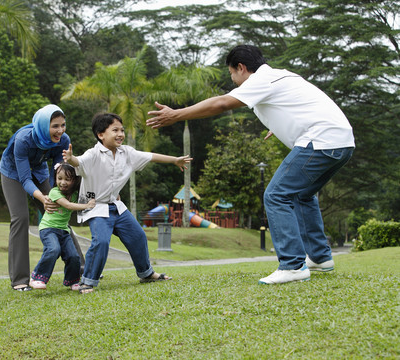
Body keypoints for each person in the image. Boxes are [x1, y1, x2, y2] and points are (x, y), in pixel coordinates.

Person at [147, 45, 355, 285]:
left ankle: (293, 265)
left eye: (232, 74)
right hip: (342, 143)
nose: (234, 81)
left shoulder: (260, 79)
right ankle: (319, 257)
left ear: (241, 68)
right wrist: (277, 125)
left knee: (277, 195)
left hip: (320, 140)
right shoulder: (281, 76)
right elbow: (298, 105)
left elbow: (222, 103)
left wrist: (177, 114)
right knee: (302, 196)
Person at [63, 112, 193, 294]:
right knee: (101, 242)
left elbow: (151, 156)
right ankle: (88, 281)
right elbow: (79, 162)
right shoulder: (93, 154)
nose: (120, 134)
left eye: (122, 130)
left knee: (138, 236)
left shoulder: (127, 153)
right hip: (97, 207)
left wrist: (174, 160)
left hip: (116, 207)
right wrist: (70, 159)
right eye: (115, 130)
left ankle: (146, 273)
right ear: (101, 135)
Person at [0, 104, 70, 291]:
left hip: (39, 171)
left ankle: (78, 268)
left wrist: (55, 197)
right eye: (55, 126)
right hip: (13, 173)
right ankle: (20, 280)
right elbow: (24, 178)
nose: (60, 131)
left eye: (63, 125)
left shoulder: (63, 140)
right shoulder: (23, 139)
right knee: (20, 218)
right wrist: (43, 198)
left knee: (59, 212)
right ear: (43, 125)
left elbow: (59, 172)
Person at [29, 162, 96, 291]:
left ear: (74, 180)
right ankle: (37, 277)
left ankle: (73, 281)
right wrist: (87, 206)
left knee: (73, 255)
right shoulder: (54, 192)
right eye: (59, 178)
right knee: (53, 249)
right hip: (48, 229)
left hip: (64, 230)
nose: (63, 182)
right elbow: (68, 206)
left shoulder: (76, 194)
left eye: (67, 179)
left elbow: (89, 187)